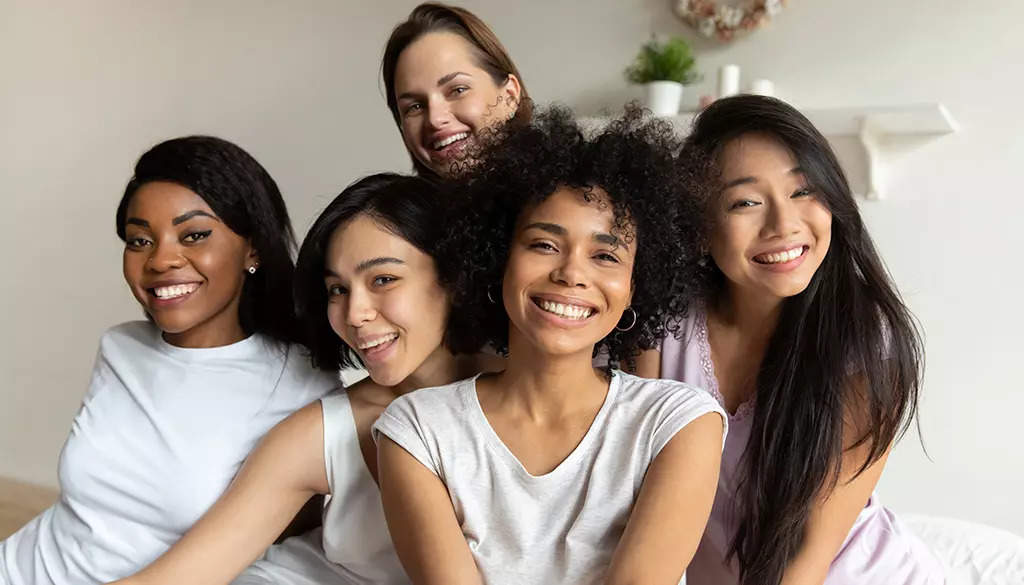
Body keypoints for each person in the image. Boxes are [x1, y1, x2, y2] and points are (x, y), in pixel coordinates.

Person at [373, 106, 727, 585]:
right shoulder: (418, 431)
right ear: (497, 259)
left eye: (605, 255)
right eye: (544, 244)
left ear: (635, 285)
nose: (572, 274)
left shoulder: (679, 422)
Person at [111, 173, 500, 585]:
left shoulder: (530, 390)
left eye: (383, 279)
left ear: (454, 279)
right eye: (337, 289)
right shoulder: (322, 433)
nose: (354, 314)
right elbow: (180, 576)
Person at [634, 95, 945, 585]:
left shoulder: (865, 339)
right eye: (746, 202)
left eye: (803, 192)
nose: (784, 225)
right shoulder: (663, 325)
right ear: (698, 229)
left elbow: (807, 561)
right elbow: (634, 498)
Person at [0, 136, 337, 584]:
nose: (161, 260)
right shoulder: (121, 348)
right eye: (140, 240)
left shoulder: (302, 386)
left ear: (252, 249)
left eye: (194, 235)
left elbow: (296, 552)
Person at [382, 2, 530, 178]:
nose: (435, 120)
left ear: (510, 96)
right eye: (415, 107)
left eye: (458, 90)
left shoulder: (561, 198)